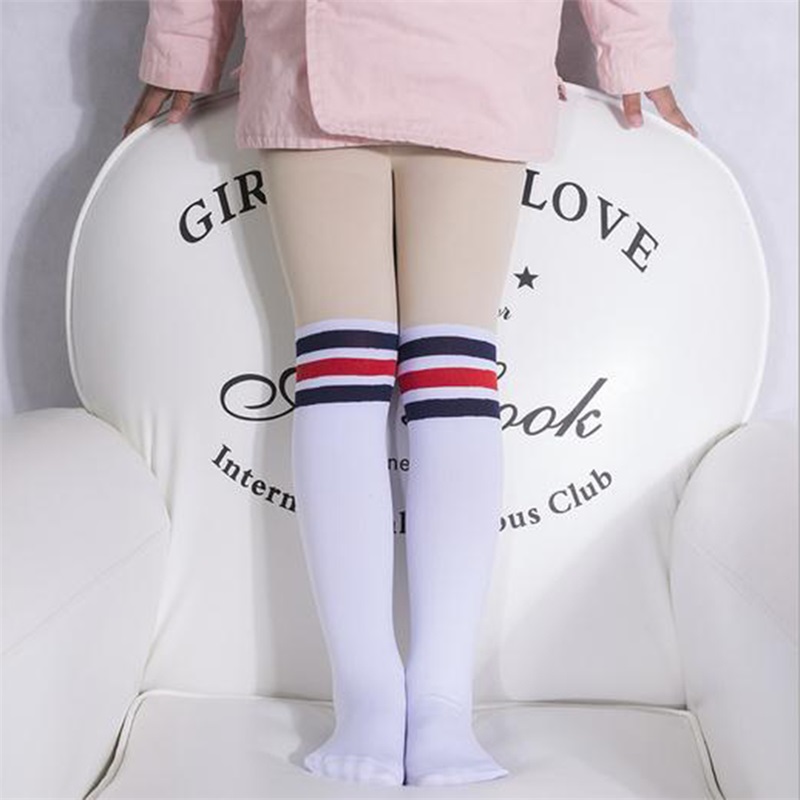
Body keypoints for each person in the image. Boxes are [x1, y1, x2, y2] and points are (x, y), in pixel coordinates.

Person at [124, 0, 697, 788]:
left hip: (476, 51)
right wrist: (184, 46)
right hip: (325, 64)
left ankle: (438, 698)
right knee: (347, 373)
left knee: (442, 373)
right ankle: (370, 692)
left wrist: (636, 50)